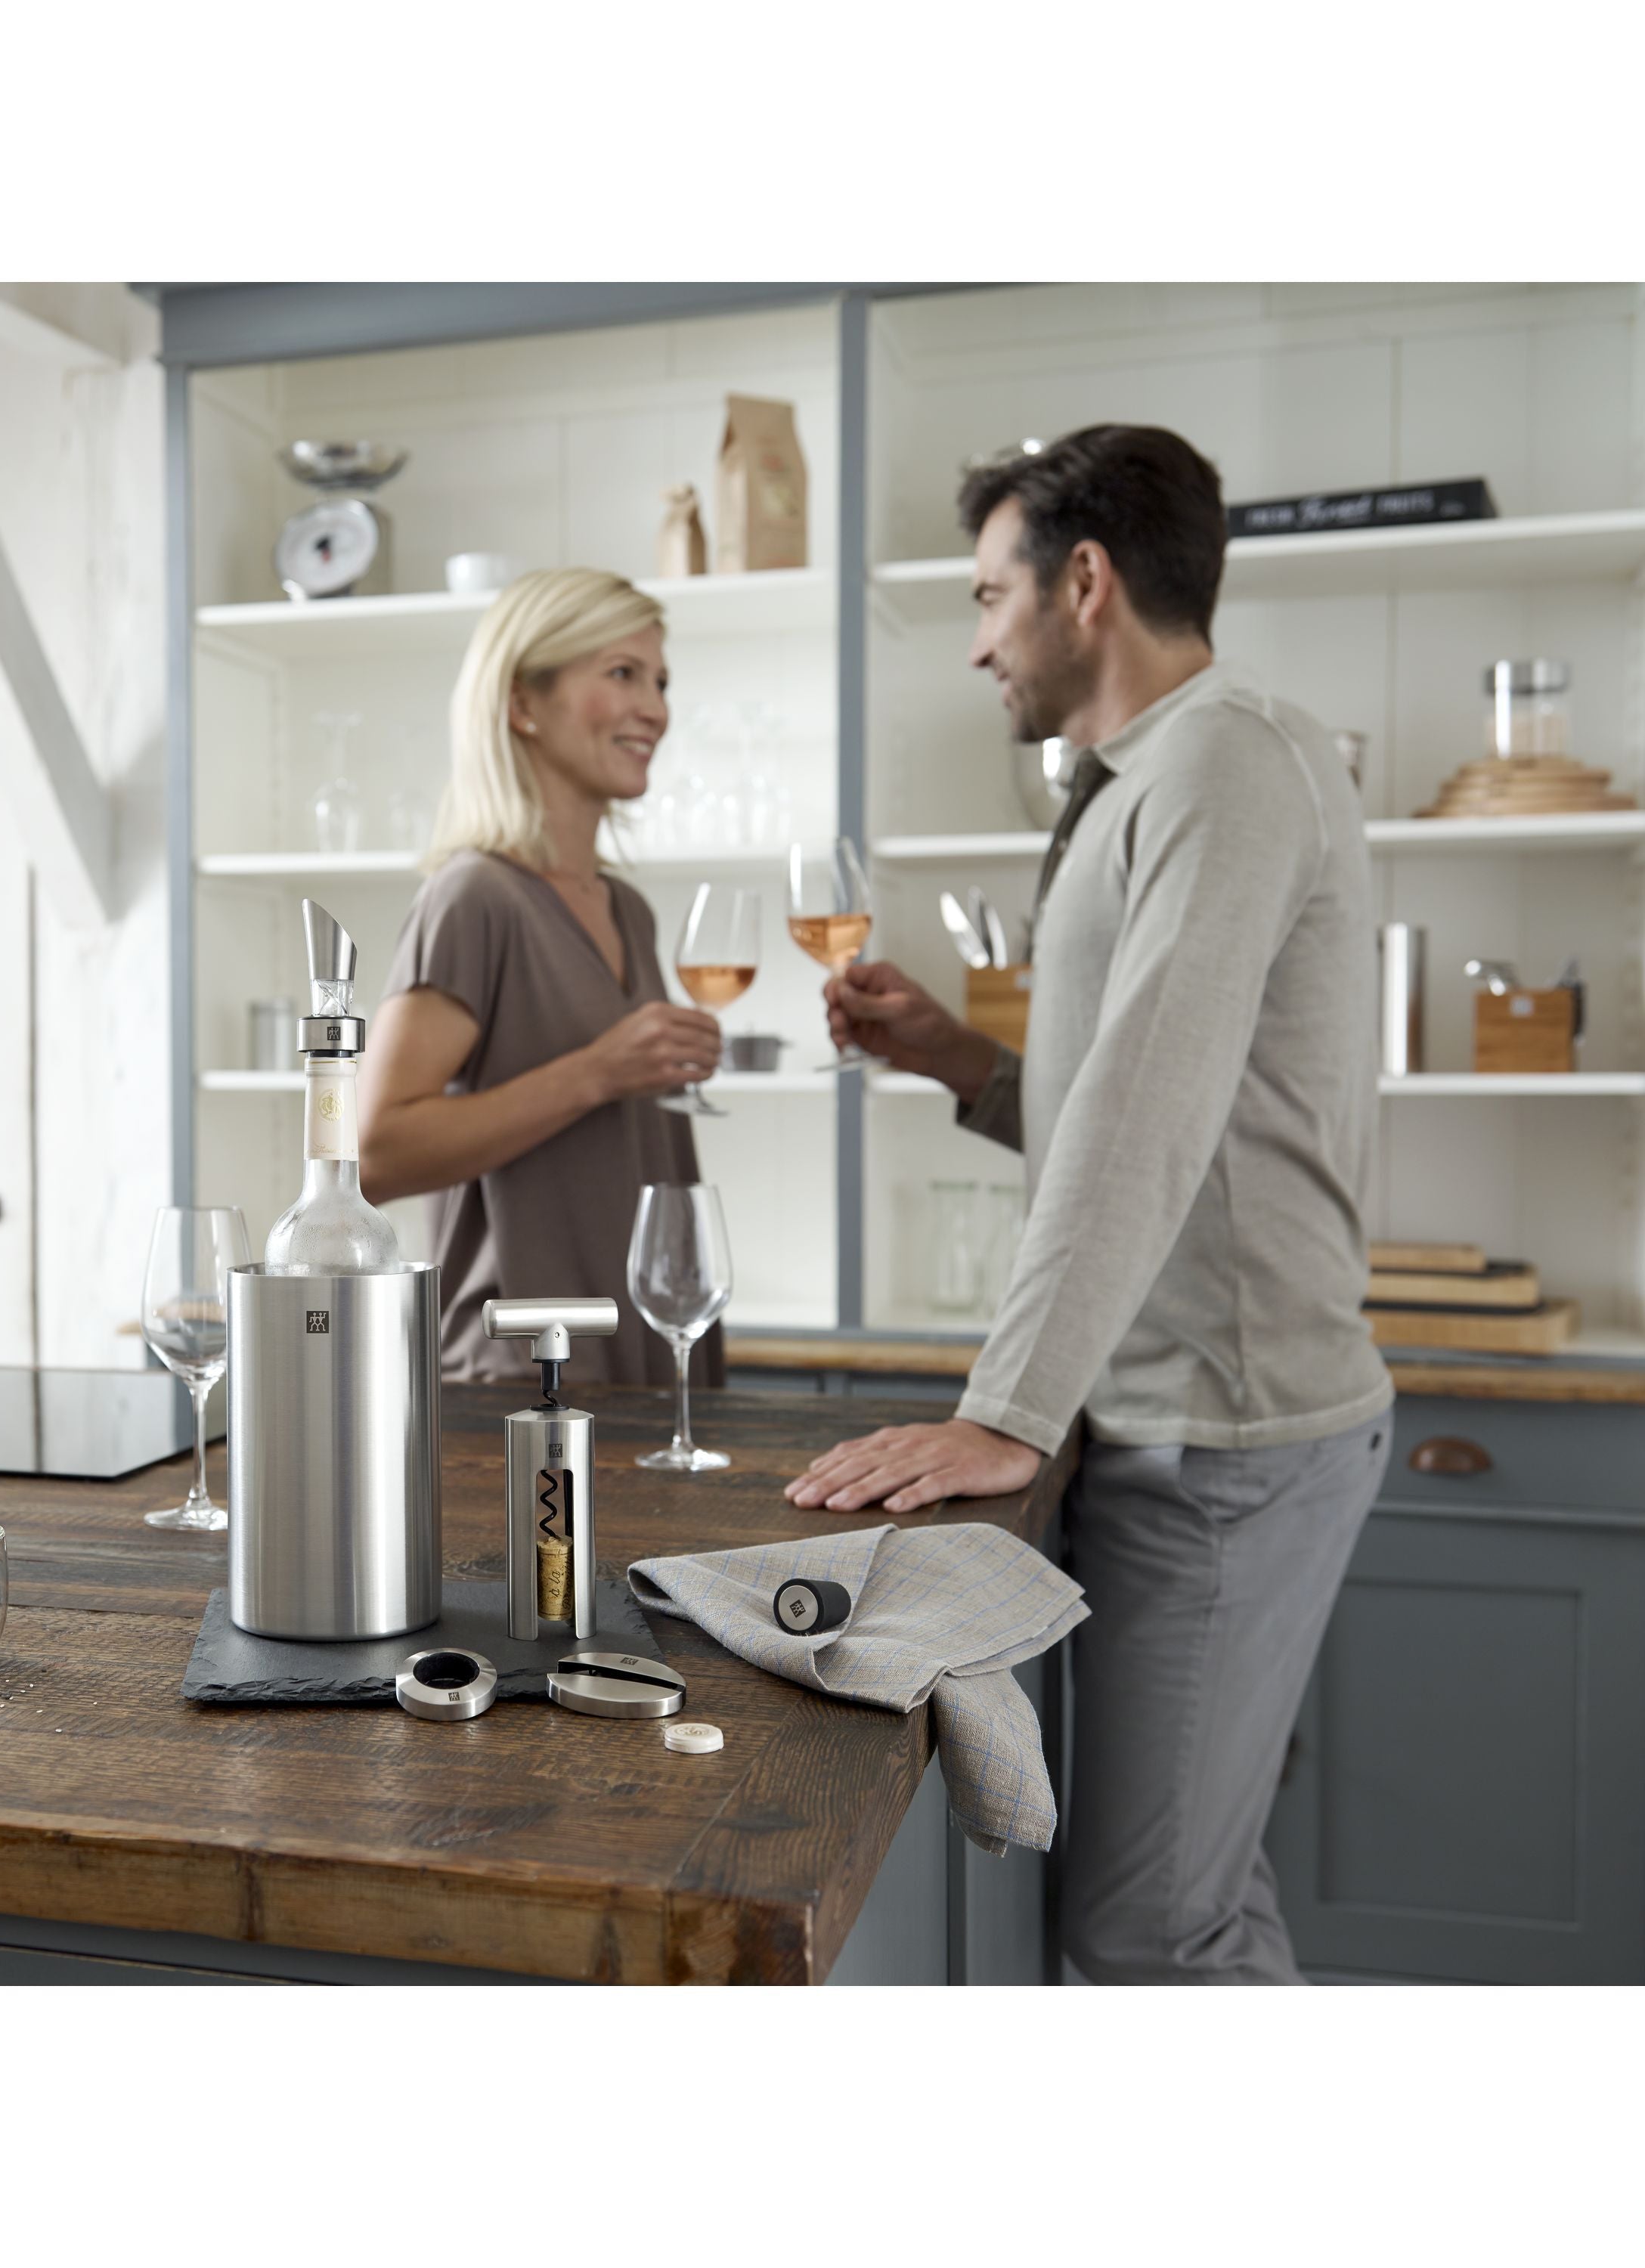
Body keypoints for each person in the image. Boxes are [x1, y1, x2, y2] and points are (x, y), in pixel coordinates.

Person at [786, 426, 1392, 1985]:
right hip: (1178, 1427)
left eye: (991, 596)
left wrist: (1007, 1410)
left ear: (1086, 581)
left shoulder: (1227, 758)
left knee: (1144, 1931)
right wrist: (961, 1066)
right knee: (1198, 1899)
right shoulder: (1165, 774)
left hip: (1225, 1441)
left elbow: (1151, 1113)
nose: (980, 640)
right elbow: (1130, 1111)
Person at [361, 567, 725, 1389]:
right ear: (524, 704)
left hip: (644, 1357)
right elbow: (372, 1153)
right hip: (524, 1377)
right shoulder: (474, 898)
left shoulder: (626, 909)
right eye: (623, 674)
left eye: (660, 681)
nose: (656, 709)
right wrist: (599, 1071)